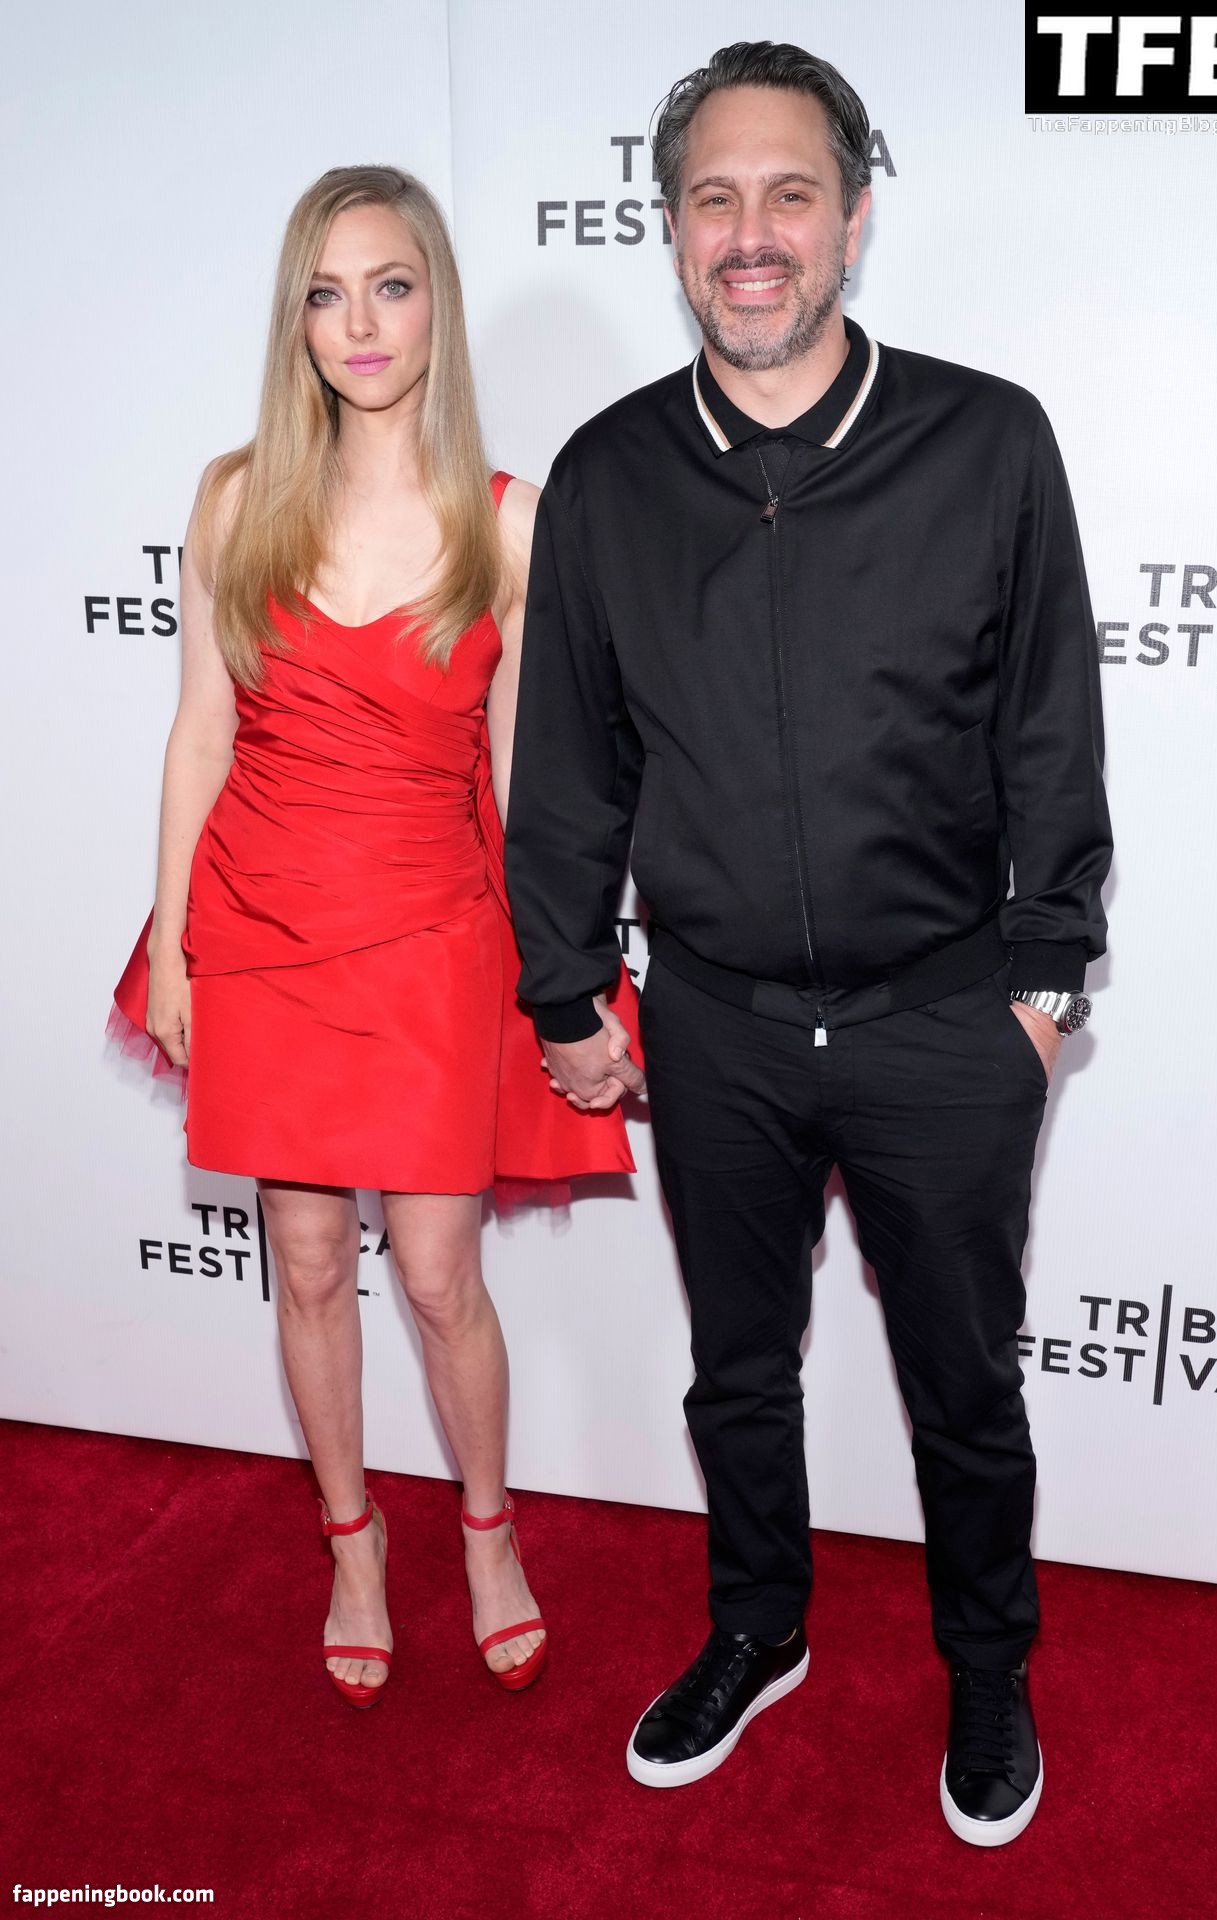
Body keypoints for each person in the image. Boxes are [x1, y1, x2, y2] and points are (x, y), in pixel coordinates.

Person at [504, 42, 1111, 1842]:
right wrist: (566, 987)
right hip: (717, 1026)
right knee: (735, 1370)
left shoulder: (987, 441)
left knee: (964, 1387)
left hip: (945, 1021)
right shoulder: (610, 475)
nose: (750, 234)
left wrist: (1041, 982)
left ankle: (988, 1670)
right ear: (671, 228)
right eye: (714, 198)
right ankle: (758, 1626)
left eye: (789, 194)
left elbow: (1050, 729)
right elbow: (572, 764)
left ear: (854, 217)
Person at [111, 165, 639, 1710]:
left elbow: (527, 785)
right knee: (301, 1258)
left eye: (390, 286)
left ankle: (485, 1529)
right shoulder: (234, 501)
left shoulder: (510, 522)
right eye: (326, 294)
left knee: (435, 1273)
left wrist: (568, 976)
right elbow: (200, 735)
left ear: (436, 307)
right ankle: (352, 1542)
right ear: (298, 320)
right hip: (261, 925)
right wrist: (178, 948)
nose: (359, 323)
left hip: (429, 939)